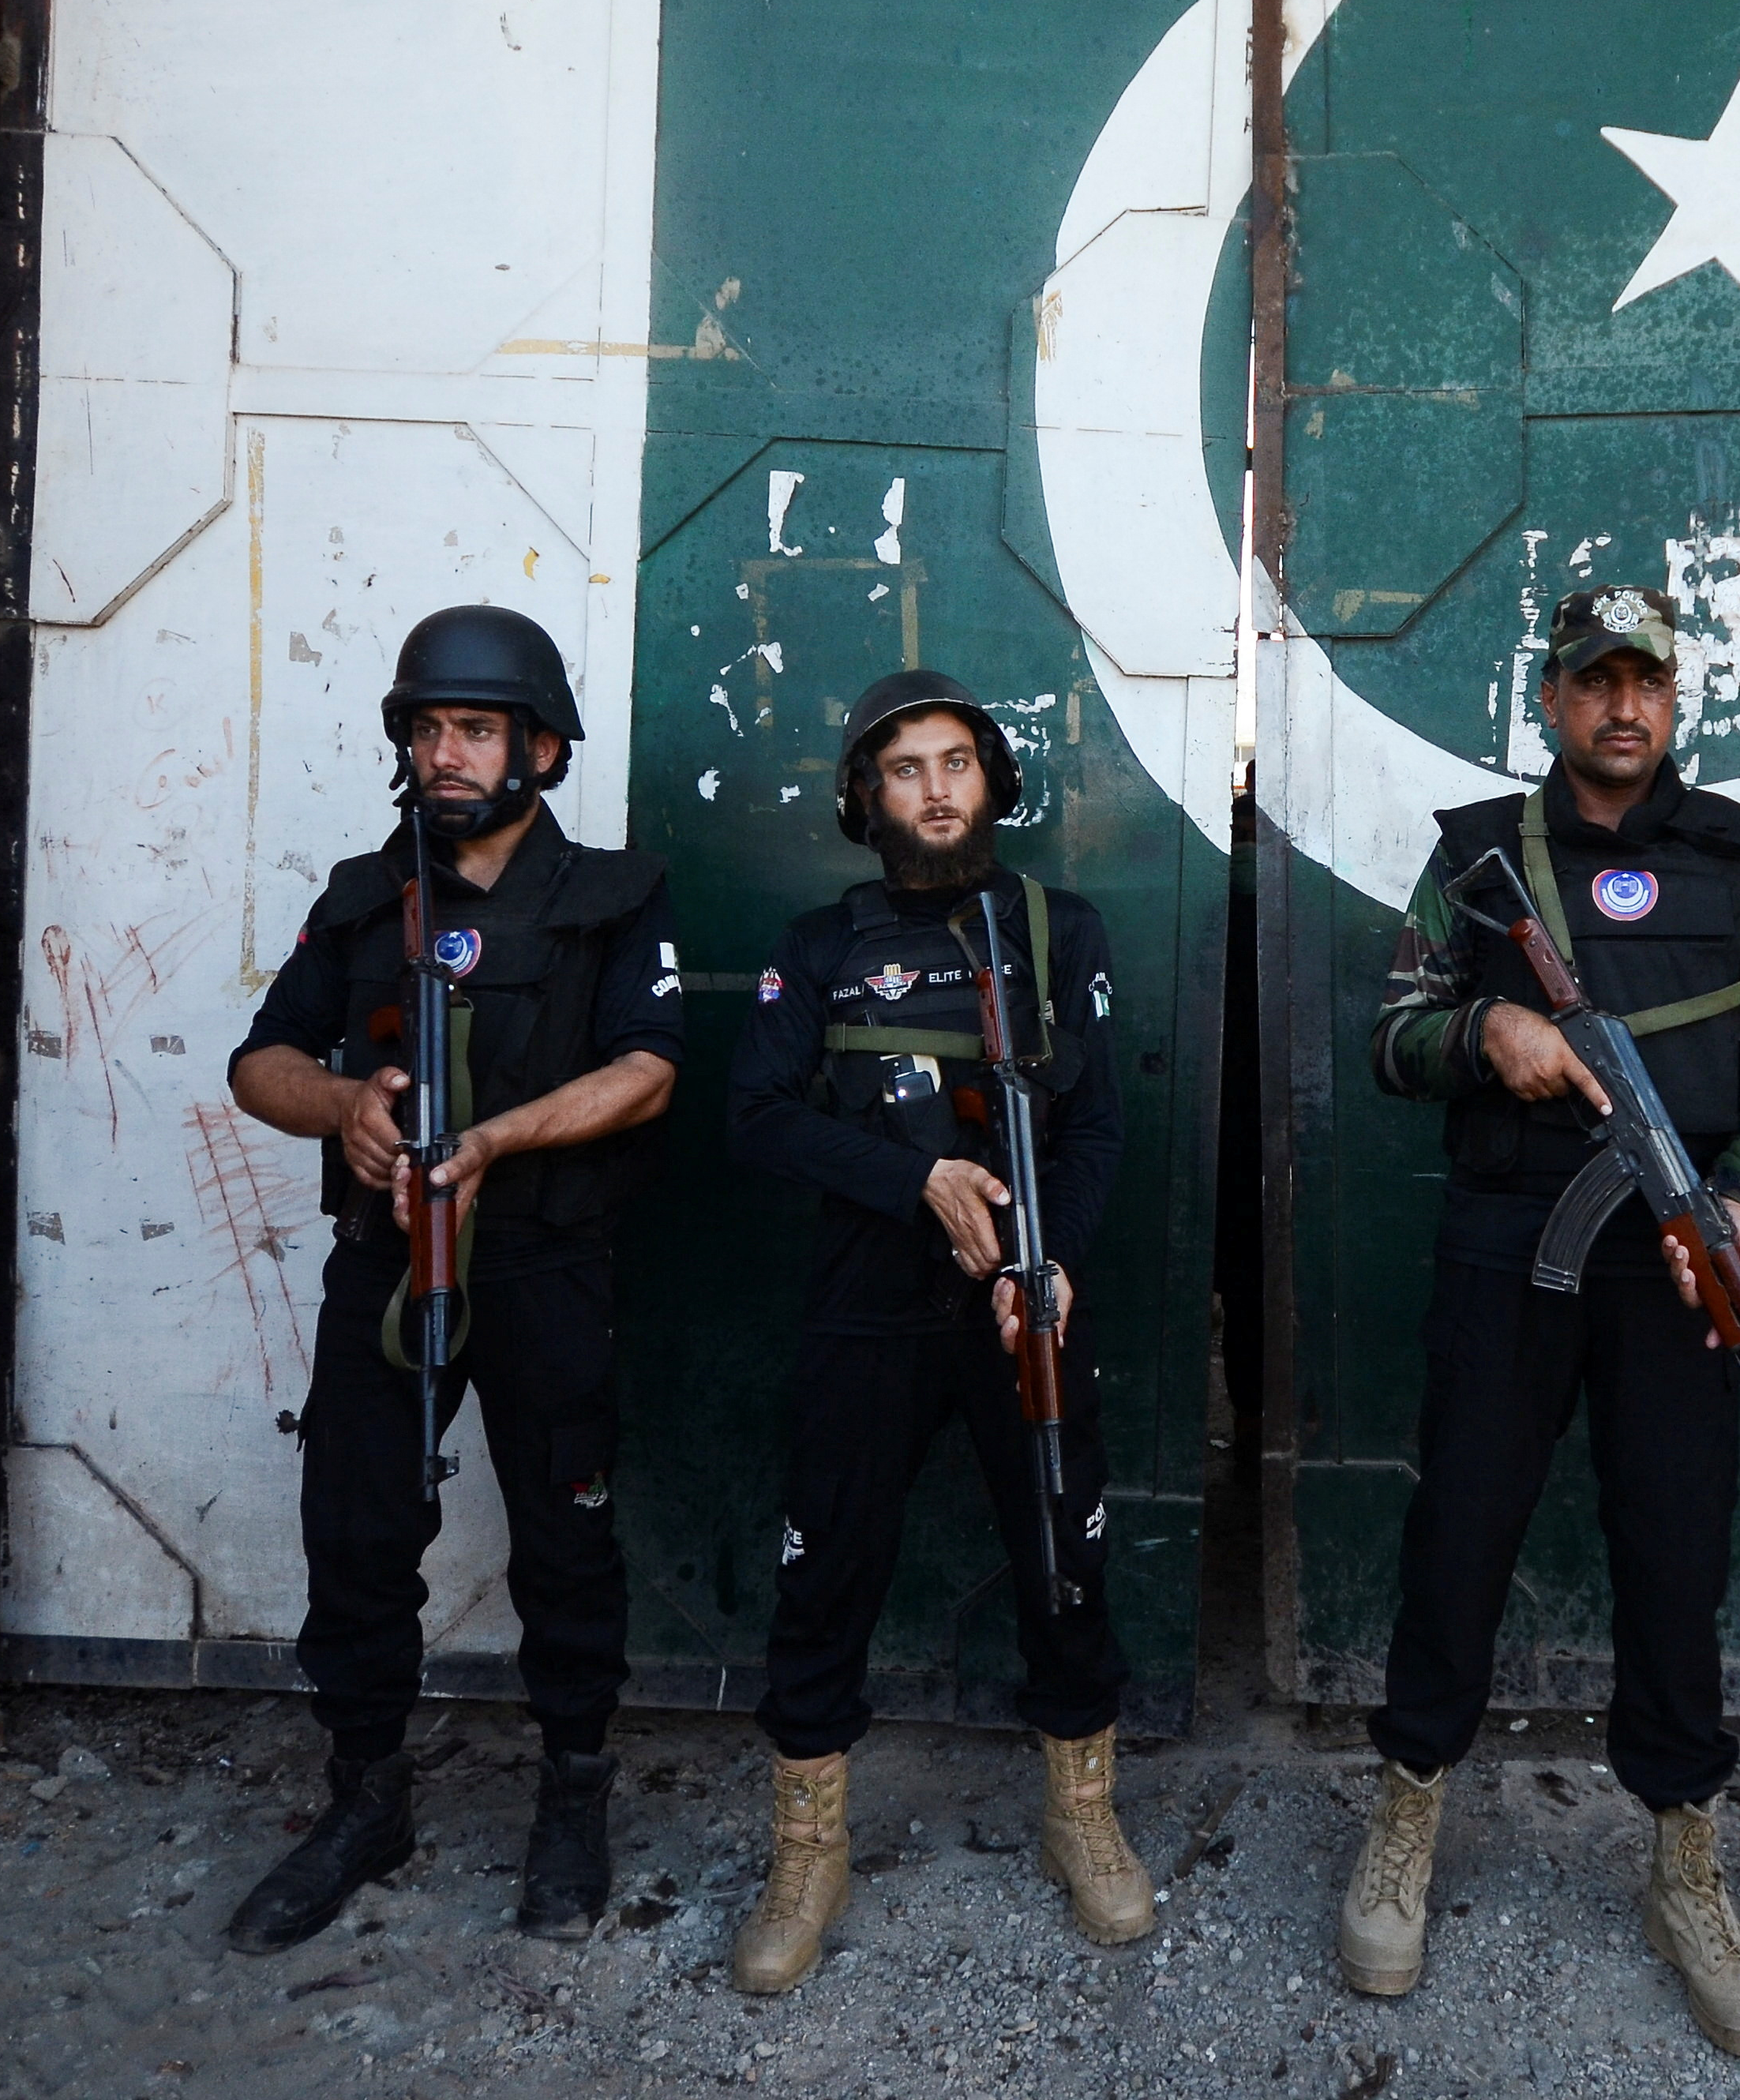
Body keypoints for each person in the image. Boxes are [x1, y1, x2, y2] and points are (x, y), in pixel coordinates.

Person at [1337, 583, 1740, 2060]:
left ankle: (1687, 1858)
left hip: (1680, 1259)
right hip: (1512, 1247)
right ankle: (1409, 1814)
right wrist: (1489, 1034)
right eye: (1595, 681)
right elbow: (1391, 1038)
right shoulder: (1478, 858)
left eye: (1649, 683)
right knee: (1462, 1533)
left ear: (1678, 700)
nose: (1624, 706)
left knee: (1677, 1550)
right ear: (1550, 700)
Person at [219, 605, 684, 1953]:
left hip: (544, 1263)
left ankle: (574, 1799)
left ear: (538, 744)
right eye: (426, 729)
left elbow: (650, 1068)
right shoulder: (365, 899)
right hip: (381, 1266)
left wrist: (492, 1139)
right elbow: (259, 1062)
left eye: (475, 729)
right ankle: (365, 1801)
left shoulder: (612, 895)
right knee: (358, 1536)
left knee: (567, 1541)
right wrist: (344, 1107)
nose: (446, 754)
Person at [718, 668, 1151, 1994]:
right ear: (868, 796)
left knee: (1061, 1563)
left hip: (1023, 1302)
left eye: (956, 761)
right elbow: (758, 1113)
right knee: (825, 1569)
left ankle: (1082, 1812)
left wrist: (1050, 1258)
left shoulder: (1057, 930)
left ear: (992, 780)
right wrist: (914, 1181)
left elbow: (1093, 1125)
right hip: (868, 1305)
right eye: (905, 767)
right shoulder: (819, 942)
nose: (935, 788)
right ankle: (808, 1850)